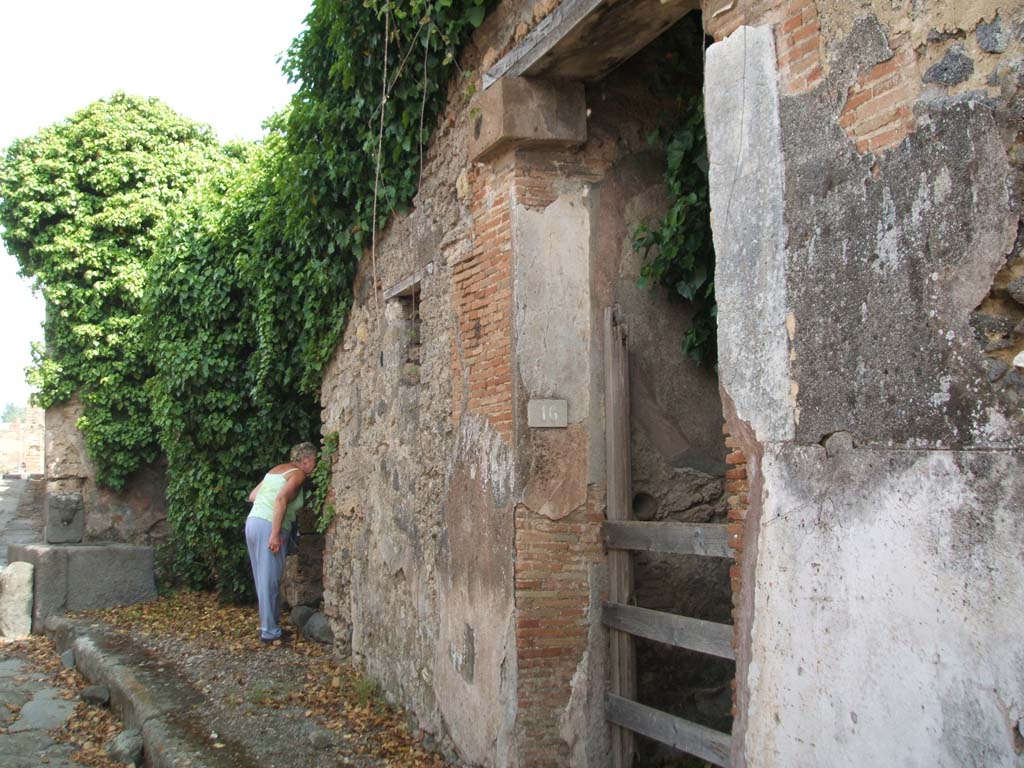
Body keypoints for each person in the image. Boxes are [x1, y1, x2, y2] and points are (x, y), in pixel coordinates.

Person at [245, 442, 317, 643]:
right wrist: (275, 533)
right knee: (270, 579)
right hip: (269, 525)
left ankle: (270, 626)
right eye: (314, 460)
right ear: (306, 460)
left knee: (263, 579)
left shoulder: (276, 470)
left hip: (253, 522)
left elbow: (253, 496)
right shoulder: (298, 474)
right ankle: (269, 632)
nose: (315, 465)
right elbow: (281, 500)